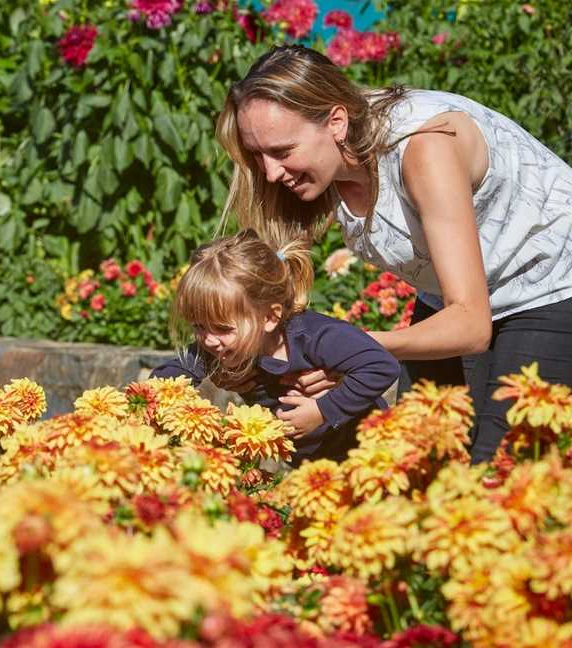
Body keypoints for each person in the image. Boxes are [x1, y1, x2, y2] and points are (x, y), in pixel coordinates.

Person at [214, 44, 572, 463]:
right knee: (417, 458)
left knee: (501, 471)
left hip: (550, 281)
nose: (270, 173)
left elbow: (472, 326)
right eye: (258, 155)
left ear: (336, 122)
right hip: (452, 297)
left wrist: (352, 348)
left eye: (282, 151)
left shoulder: (425, 149)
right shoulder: (322, 169)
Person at [151, 229, 400, 465]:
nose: (208, 340)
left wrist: (323, 410)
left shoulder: (315, 337)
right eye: (198, 326)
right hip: (309, 466)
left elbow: (381, 365)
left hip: (369, 450)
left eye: (223, 328)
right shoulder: (218, 346)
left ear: (269, 318)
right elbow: (163, 382)